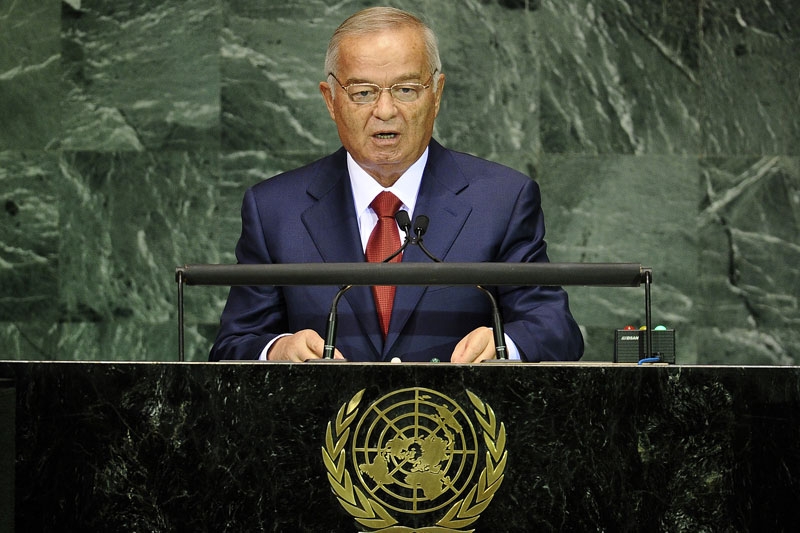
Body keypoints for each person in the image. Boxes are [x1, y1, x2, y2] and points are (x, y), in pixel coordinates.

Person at [209, 7, 583, 363]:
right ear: (331, 100)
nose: (385, 110)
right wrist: (278, 349)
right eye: (363, 92)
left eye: (406, 89)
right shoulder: (274, 210)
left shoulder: (502, 200)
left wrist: (504, 345)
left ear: (436, 95)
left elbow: (555, 328)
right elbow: (234, 343)